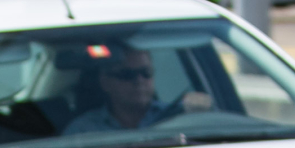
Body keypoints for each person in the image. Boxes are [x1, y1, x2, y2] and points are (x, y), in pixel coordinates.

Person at [62, 46, 213, 136]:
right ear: (105, 83)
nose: (139, 81)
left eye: (145, 72)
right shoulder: (83, 130)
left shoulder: (178, 118)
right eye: (127, 75)